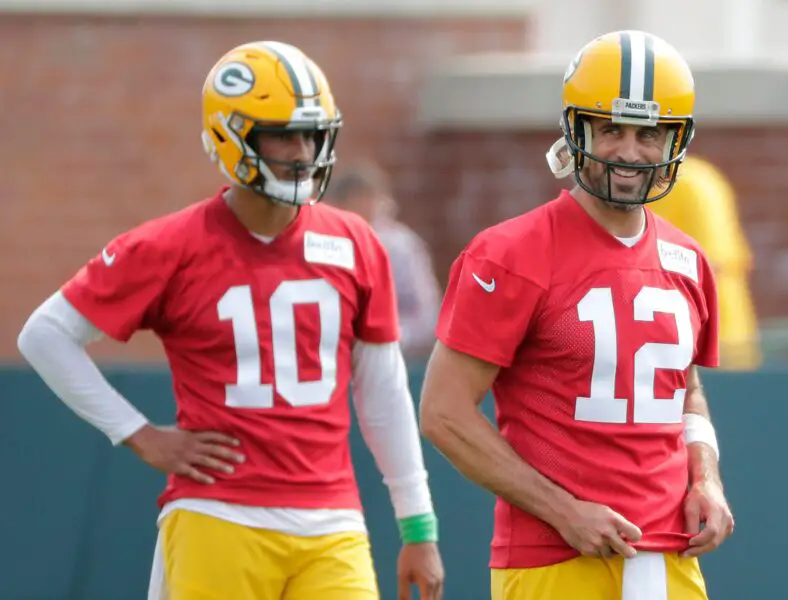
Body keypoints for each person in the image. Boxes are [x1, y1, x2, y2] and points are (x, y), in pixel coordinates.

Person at [17, 40, 444, 600]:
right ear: (231, 134)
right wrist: (138, 435)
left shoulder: (355, 241)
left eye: (310, 134)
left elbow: (383, 394)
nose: (301, 150)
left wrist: (419, 526)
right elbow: (44, 335)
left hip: (330, 521)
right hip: (218, 512)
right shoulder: (169, 246)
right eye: (282, 134)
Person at [418, 30, 733, 600]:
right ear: (576, 129)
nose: (629, 151)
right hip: (554, 560)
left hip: (671, 558)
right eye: (610, 129)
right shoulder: (511, 253)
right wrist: (563, 511)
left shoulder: (688, 259)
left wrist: (705, 477)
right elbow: (442, 413)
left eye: (648, 133)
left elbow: (684, 388)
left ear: (675, 140)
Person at [648, 155, 761, 370]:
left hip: (707, 344)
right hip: (727, 337)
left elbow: (708, 264)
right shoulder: (702, 177)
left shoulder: (683, 184)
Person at [329, 164, 442, 360]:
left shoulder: (400, 246)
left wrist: (387, 336)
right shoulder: (327, 241)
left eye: (367, 199)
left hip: (397, 356)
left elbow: (427, 316)